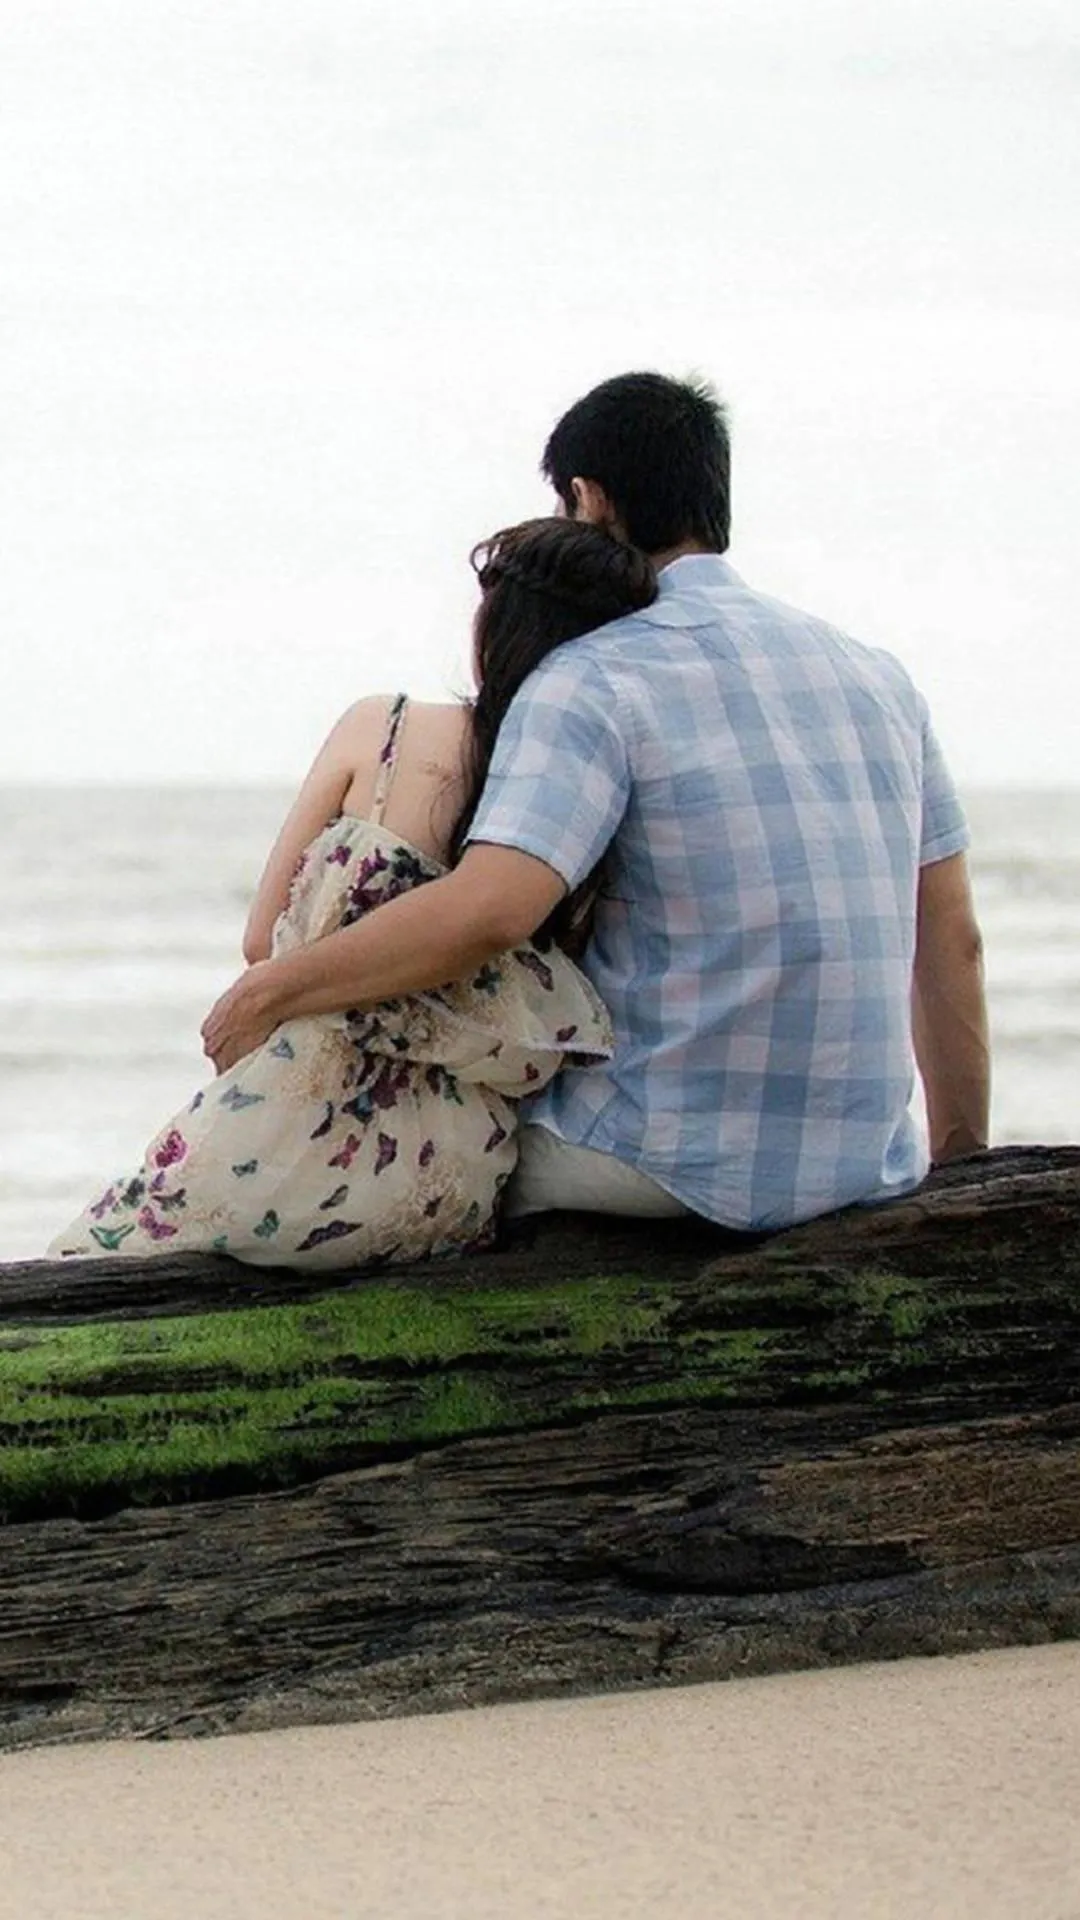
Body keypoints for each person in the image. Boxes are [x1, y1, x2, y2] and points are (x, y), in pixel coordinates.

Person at [202, 372, 991, 1234]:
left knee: (426, 1146)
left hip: (660, 1161)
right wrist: (962, 1165)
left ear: (588, 499)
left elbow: (490, 911)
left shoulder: (595, 676)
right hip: (866, 1165)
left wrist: (273, 990)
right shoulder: (878, 677)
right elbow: (951, 938)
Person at [47, 519, 659, 1269]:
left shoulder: (385, 728)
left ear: (494, 627)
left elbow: (260, 939)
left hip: (295, 1138)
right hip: (457, 1180)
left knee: (83, 1259)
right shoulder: (589, 793)